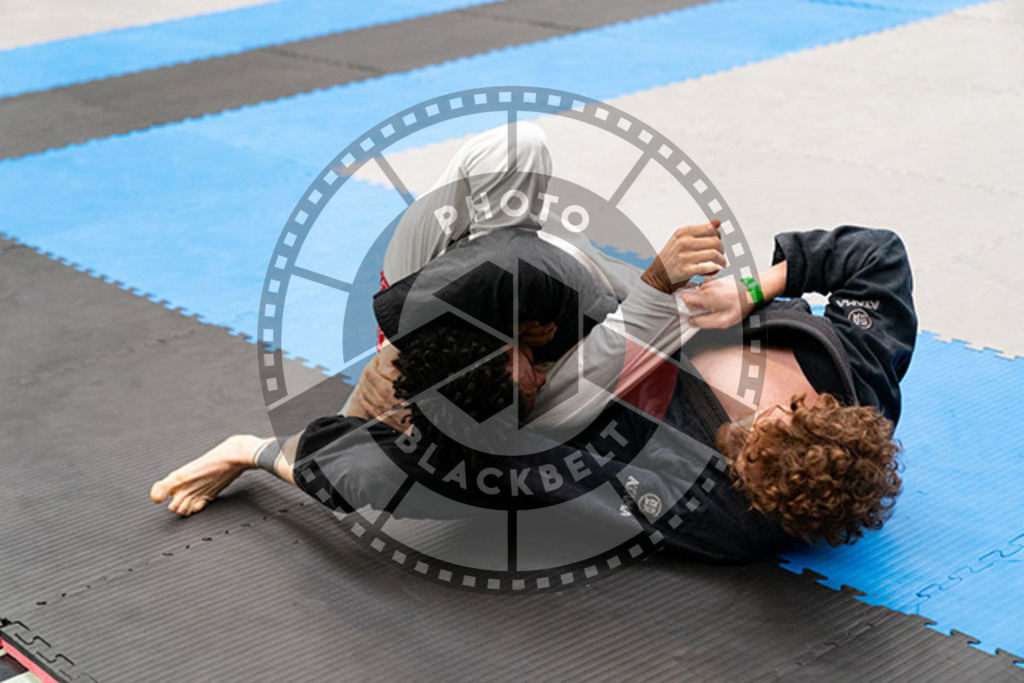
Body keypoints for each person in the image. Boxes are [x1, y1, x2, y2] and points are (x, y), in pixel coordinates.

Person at [152, 123, 915, 561]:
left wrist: (256, 452)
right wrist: (754, 289)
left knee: (488, 430)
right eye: (759, 424)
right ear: (821, 402)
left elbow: (511, 474)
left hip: (555, 392)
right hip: (591, 313)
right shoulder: (866, 365)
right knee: (520, 149)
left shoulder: (720, 506)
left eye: (738, 452)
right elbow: (877, 255)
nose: (735, 431)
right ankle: (429, 347)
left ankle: (407, 368)